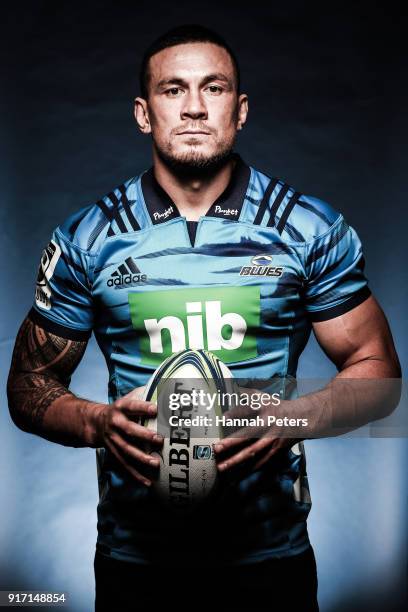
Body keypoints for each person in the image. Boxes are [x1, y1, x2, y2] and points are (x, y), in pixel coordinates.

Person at [7, 23, 401, 612]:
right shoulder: (89, 239)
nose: (194, 107)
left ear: (240, 110)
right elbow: (26, 386)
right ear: (144, 113)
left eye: (213, 89)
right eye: (173, 90)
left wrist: (291, 420)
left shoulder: (307, 229)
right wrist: (96, 424)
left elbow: (383, 379)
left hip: (272, 559)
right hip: (135, 560)